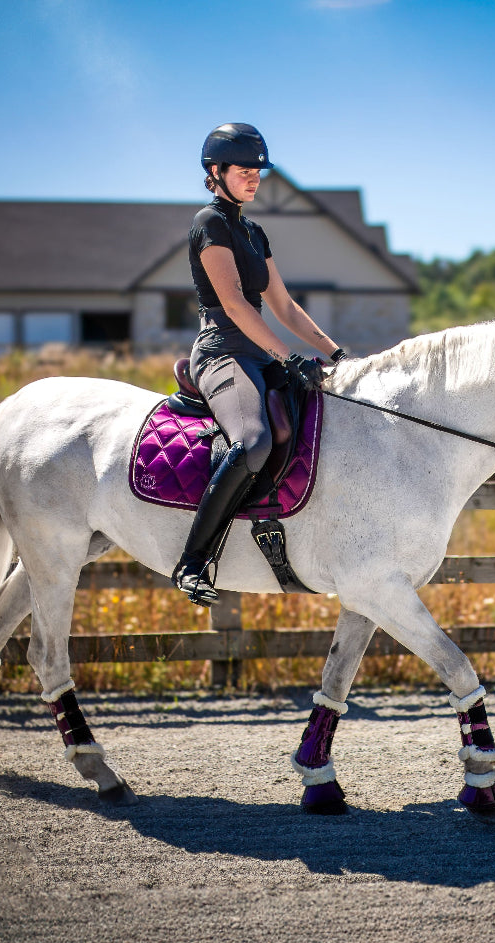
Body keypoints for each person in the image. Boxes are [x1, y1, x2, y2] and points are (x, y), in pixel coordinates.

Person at [172, 122, 347, 607]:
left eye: (258, 171)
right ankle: (193, 561)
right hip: (222, 351)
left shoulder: (253, 231)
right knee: (252, 441)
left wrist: (336, 355)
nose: (254, 178)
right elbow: (234, 304)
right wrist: (286, 356)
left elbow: (284, 306)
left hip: (256, 349)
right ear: (216, 172)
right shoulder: (210, 223)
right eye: (244, 170)